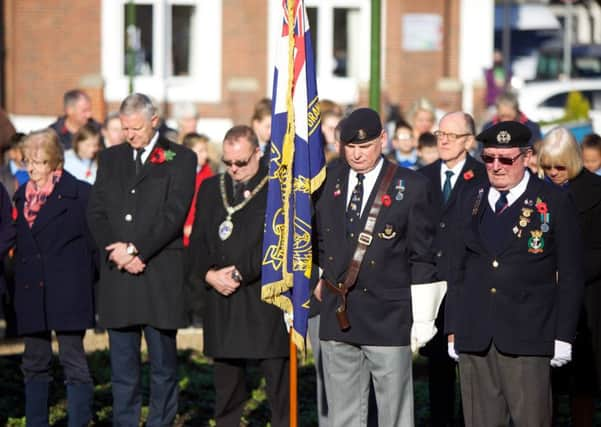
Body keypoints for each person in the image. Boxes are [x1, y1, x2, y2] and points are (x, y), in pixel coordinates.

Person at [445, 121, 585, 426]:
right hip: (475, 333)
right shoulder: (470, 196)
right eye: (489, 158)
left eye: (506, 159)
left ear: (527, 157)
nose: (496, 167)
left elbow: (572, 274)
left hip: (529, 335)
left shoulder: (554, 201)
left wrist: (563, 336)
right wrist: (453, 328)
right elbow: (456, 269)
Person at [314, 107, 445, 427]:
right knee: (342, 414)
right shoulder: (326, 178)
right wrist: (313, 278)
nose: (357, 154)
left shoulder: (410, 186)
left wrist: (424, 317)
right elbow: (314, 239)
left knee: (394, 414)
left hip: (388, 315)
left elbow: (422, 254)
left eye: (366, 146)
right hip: (337, 311)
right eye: (351, 147)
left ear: (383, 140)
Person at [87, 93, 196, 426]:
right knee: (122, 367)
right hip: (119, 275)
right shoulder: (111, 158)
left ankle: (160, 422)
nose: (129, 135)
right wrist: (117, 250)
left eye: (135, 128)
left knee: (163, 365)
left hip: (159, 274)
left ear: (154, 122)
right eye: (124, 128)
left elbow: (174, 214)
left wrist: (136, 250)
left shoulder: (181, 157)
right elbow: (97, 210)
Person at [187, 125, 289, 427]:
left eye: (241, 162)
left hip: (263, 299)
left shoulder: (276, 188)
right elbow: (199, 241)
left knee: (278, 385)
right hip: (222, 299)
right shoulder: (210, 188)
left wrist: (241, 271)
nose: (233, 169)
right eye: (228, 162)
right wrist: (208, 275)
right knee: (227, 388)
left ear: (258, 153)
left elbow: (278, 240)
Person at [13, 128, 95, 426]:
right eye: (27, 161)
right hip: (32, 292)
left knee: (73, 362)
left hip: (68, 292)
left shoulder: (81, 195)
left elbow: (94, 244)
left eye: (38, 162)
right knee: (34, 363)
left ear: (55, 163)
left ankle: (78, 421)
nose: (31, 168)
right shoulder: (20, 195)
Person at [418, 111, 486, 427]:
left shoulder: (484, 176)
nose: (443, 140)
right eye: (440, 134)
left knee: (472, 371)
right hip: (432, 286)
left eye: (451, 135)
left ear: (469, 141)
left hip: (467, 286)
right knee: (438, 373)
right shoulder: (424, 177)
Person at [538, 127, 601, 426]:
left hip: (588, 296)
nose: (552, 172)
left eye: (559, 167)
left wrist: (569, 273)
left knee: (583, 377)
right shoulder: (538, 191)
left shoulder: (596, 193)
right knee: (545, 379)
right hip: (545, 296)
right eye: (547, 166)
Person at [182, 132, 213, 247]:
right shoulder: (179, 174)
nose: (205, 155)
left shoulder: (207, 174)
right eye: (201, 151)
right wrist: (184, 226)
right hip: (181, 234)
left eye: (205, 150)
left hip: (200, 232)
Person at [0, 132, 28, 198]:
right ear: (12, 153)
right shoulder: (2, 175)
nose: (26, 154)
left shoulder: (35, 172)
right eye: (22, 151)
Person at [250, 98, 272, 165]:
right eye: (267, 126)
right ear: (256, 124)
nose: (270, 132)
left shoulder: (275, 149)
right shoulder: (245, 146)